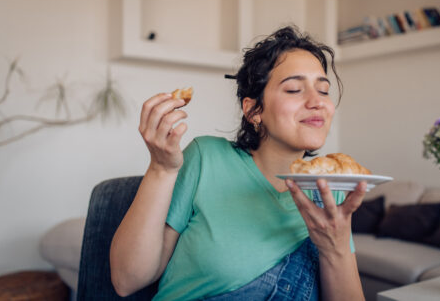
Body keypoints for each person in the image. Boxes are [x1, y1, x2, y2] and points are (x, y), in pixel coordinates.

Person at [110, 26, 367, 301]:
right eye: (294, 89)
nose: (317, 102)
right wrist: (161, 169)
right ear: (254, 110)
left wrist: (335, 248)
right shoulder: (206, 158)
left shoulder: (331, 188)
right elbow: (127, 280)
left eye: (324, 90)